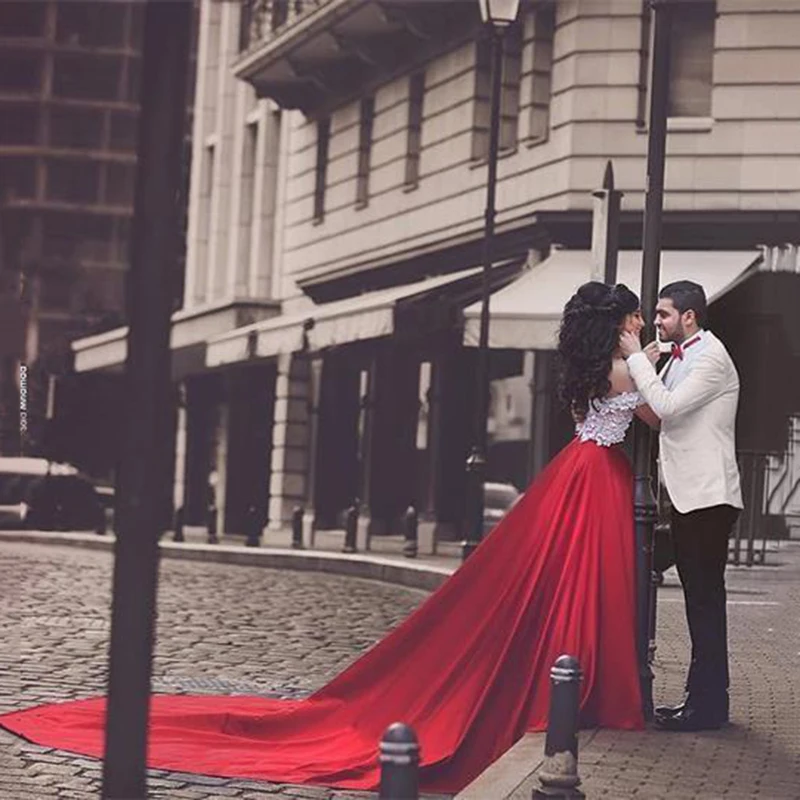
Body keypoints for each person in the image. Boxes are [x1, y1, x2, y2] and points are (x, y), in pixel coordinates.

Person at [0, 282, 653, 795]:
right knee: (585, 582)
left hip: (577, 475)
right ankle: (588, 689)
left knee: (564, 583)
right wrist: (653, 359)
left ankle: (578, 683)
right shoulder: (625, 369)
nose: (641, 324)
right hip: (595, 482)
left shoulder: (584, 370)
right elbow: (654, 412)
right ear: (617, 322)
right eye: (633, 316)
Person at [620, 280, 743, 732]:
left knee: (704, 603)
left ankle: (708, 707)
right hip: (690, 496)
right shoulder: (679, 357)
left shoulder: (710, 357)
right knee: (700, 602)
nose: (655, 322)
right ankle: (703, 701)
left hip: (709, 497)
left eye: (664, 314)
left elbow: (667, 407)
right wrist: (625, 388)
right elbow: (655, 415)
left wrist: (636, 357)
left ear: (689, 317)